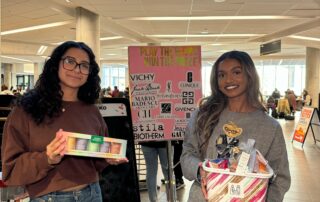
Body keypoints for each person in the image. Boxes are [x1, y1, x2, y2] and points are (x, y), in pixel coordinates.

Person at [1, 41, 128, 201]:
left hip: (92, 194)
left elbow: (96, 163)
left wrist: (107, 158)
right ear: (56, 64)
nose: (77, 69)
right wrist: (47, 158)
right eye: (70, 61)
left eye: (84, 65)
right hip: (49, 197)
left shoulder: (91, 111)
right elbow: (11, 169)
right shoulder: (25, 110)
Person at [180, 50, 291, 201]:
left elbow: (281, 178)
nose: (228, 80)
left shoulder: (270, 127)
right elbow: (187, 155)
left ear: (249, 75)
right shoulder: (202, 115)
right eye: (222, 75)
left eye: (236, 72)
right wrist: (201, 171)